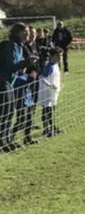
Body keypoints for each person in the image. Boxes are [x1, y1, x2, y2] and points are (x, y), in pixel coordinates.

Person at [0, 23, 36, 152]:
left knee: (9, 113)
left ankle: (6, 140)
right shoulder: (12, 46)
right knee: (5, 113)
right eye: (24, 32)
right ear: (16, 33)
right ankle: (3, 142)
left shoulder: (19, 46)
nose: (27, 34)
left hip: (9, 82)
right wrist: (27, 62)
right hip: (3, 82)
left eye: (27, 32)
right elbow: (11, 66)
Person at [38, 48, 62, 137]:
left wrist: (59, 84)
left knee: (52, 110)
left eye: (61, 55)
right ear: (52, 56)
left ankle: (52, 128)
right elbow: (42, 78)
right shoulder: (49, 66)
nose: (60, 58)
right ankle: (46, 129)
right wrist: (50, 85)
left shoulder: (56, 65)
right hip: (47, 92)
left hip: (53, 92)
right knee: (47, 110)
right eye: (58, 56)